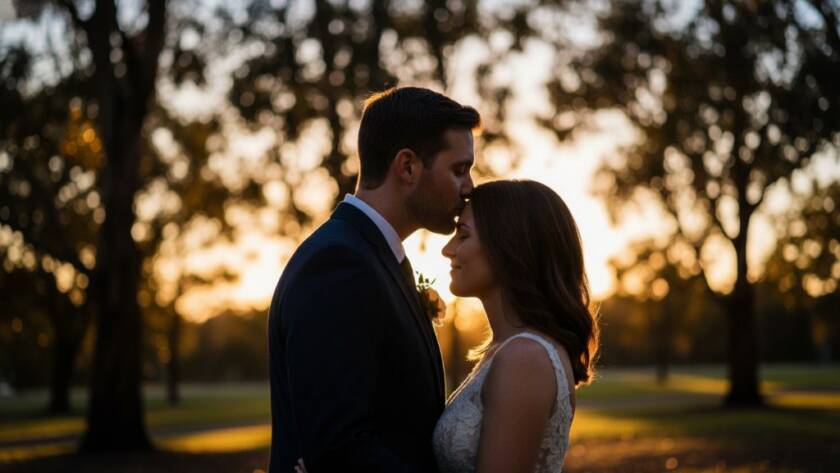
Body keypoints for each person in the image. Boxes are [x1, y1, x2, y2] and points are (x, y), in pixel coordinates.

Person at [268, 86, 481, 473]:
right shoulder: (338, 265)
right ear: (408, 167)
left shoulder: (371, 256)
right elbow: (340, 449)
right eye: (459, 169)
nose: (469, 187)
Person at [432, 179, 600, 473]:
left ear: (507, 247)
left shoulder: (524, 358)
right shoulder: (508, 350)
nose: (447, 249)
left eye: (463, 235)